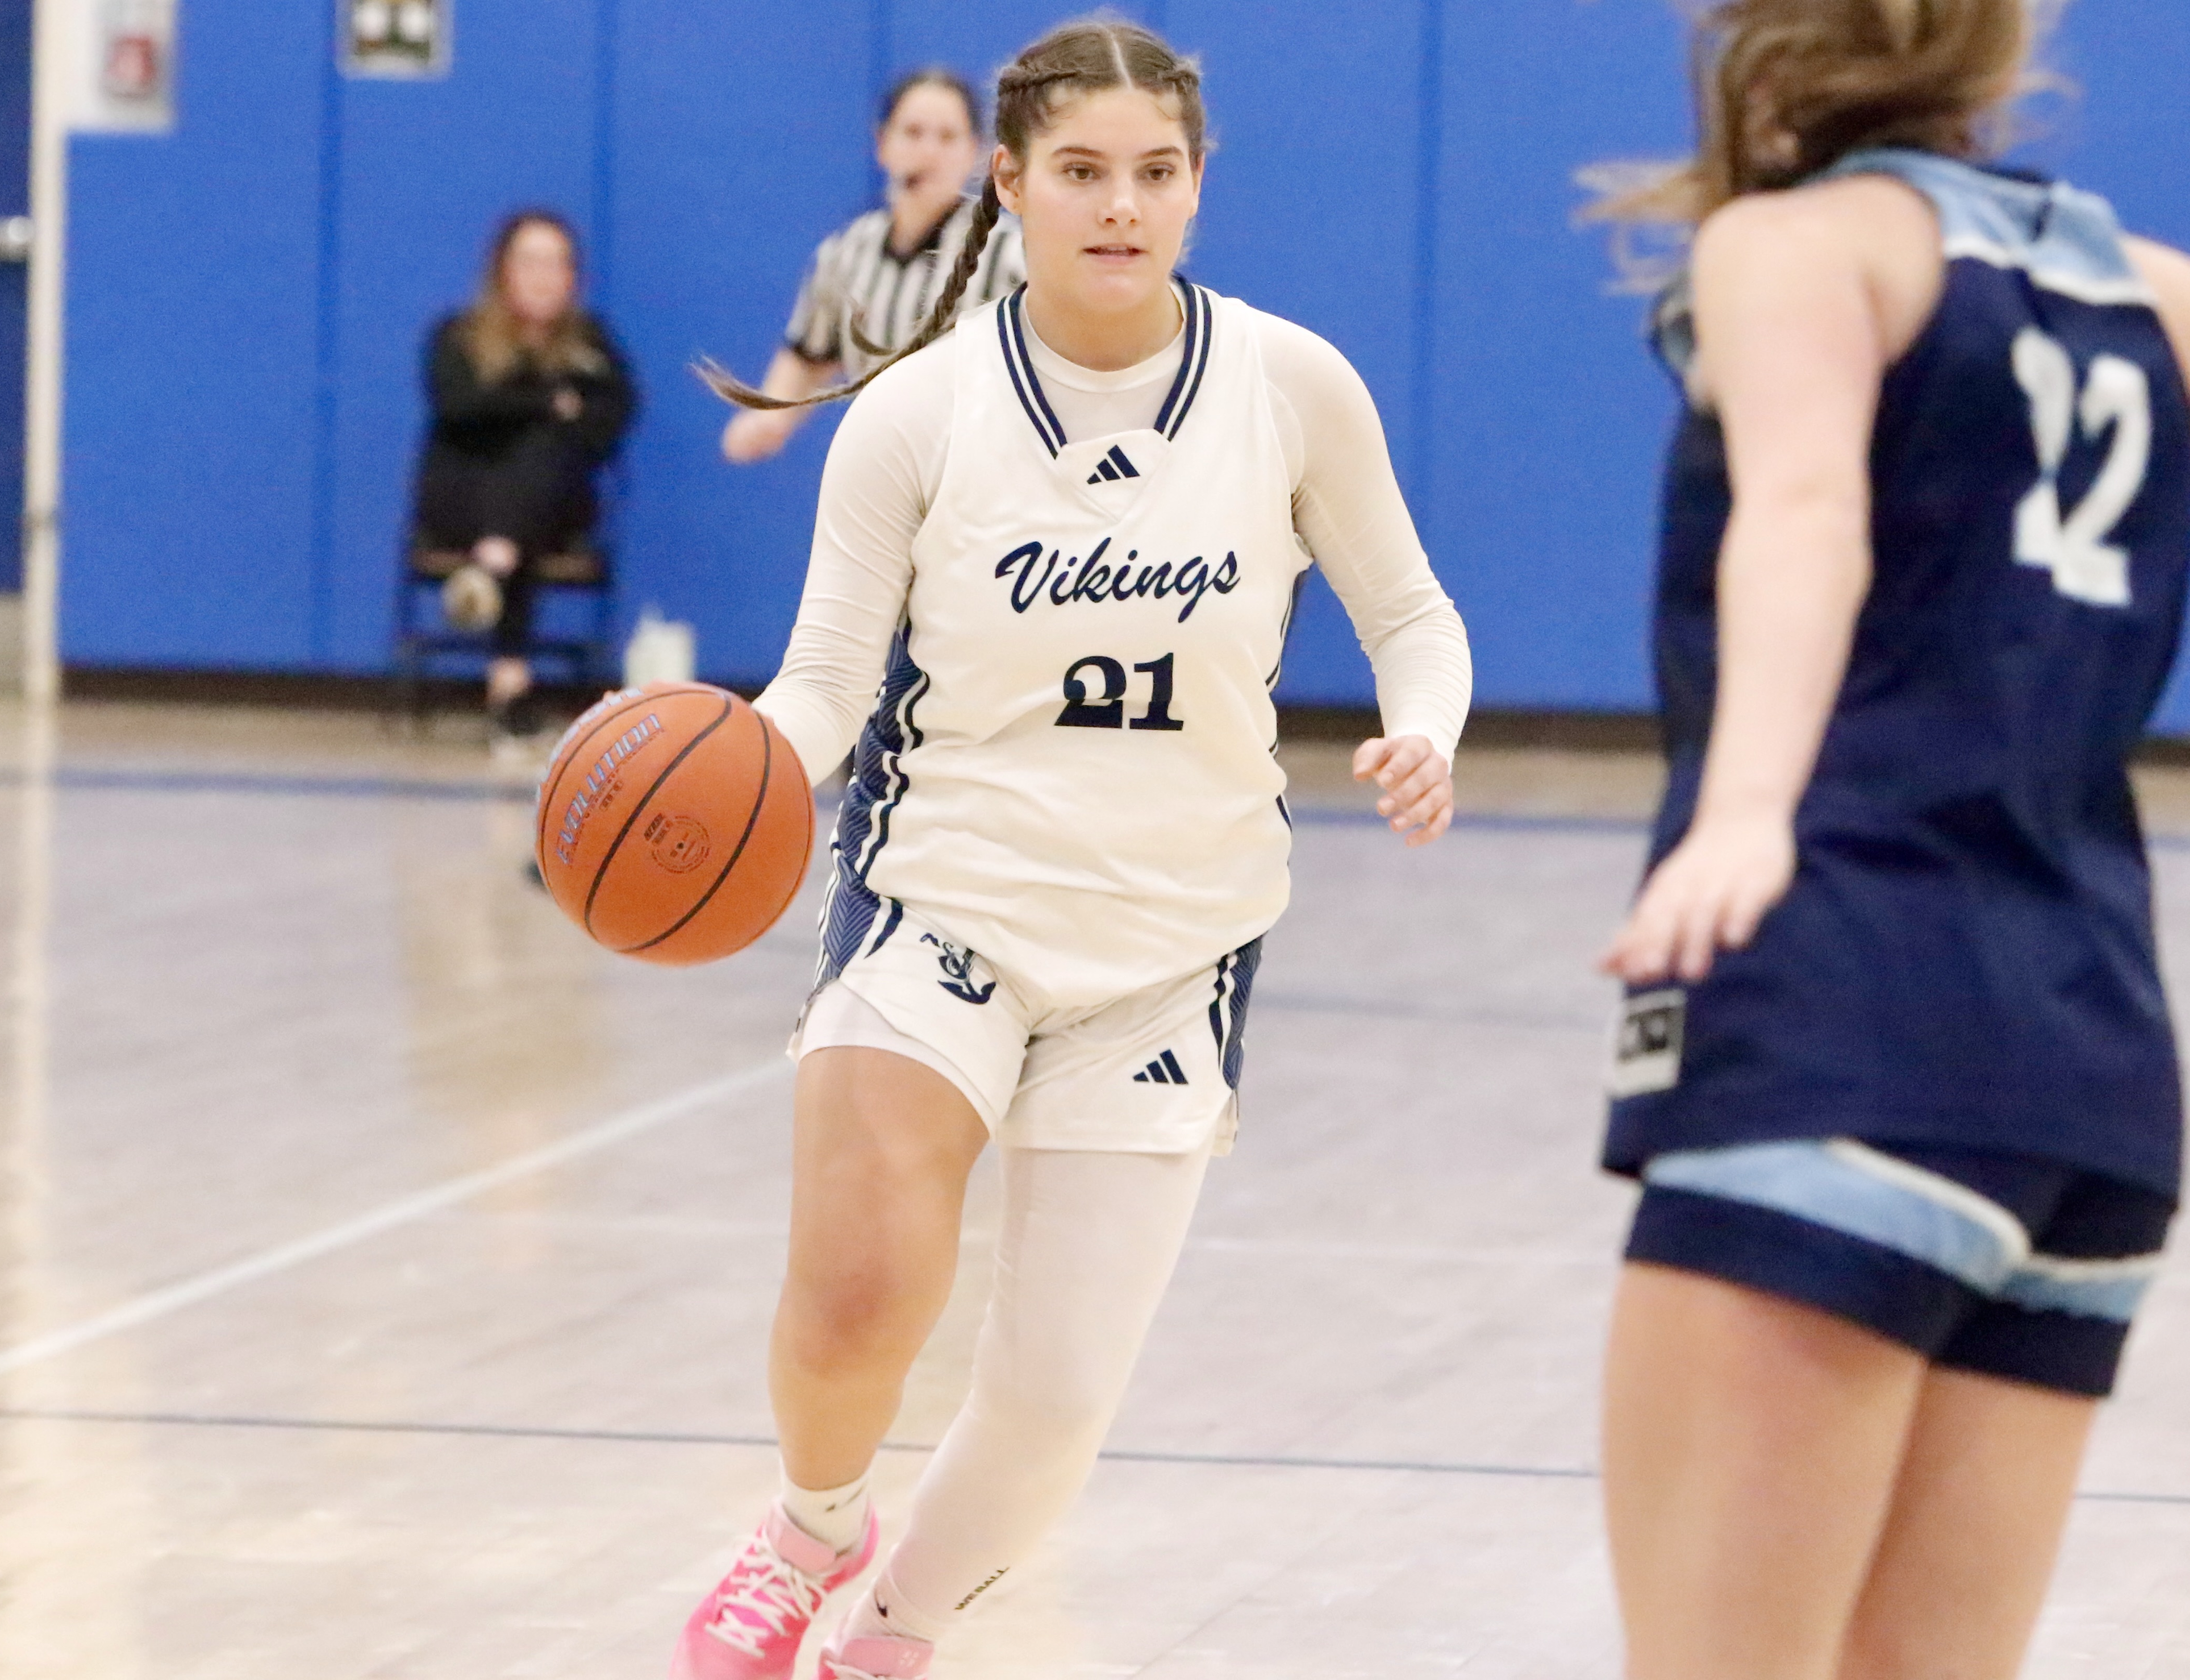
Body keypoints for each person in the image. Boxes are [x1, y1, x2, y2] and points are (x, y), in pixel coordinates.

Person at [673, 19, 1473, 1680]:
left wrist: (1426, 726)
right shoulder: (916, 411)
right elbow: (825, 681)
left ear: (1197, 189)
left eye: (1157, 173)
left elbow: (1411, 611)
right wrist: (736, 767)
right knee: (857, 1284)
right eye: (1085, 174)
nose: (1123, 206)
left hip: (1176, 939)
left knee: (1050, 1396)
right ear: (1013, 186)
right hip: (945, 891)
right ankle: (812, 1523)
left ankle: (884, 1638)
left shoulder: (1289, 384)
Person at [1591, 3, 2190, 1677]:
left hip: (1845, 1006)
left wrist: (1750, 807)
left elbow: (1807, 513)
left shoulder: (1795, 249)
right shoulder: (2162, 295)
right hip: (2088, 1079)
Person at [717, 67, 1025, 465]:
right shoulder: (848, 251)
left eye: (948, 137)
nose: (929, 151)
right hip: (883, 470)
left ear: (975, 152)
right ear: (882, 144)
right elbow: (810, 350)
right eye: (913, 133)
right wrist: (770, 415)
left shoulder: (1008, 252)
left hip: (983, 471)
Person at [415, 210, 637, 739]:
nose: (544, 275)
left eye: (557, 263)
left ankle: (491, 574)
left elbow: (611, 421)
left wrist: (528, 412)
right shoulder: (458, 336)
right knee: (526, 476)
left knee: (541, 462)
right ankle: (510, 688)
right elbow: (460, 408)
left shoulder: (592, 344)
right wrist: (548, 401)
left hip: (553, 508)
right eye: (530, 261)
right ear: (503, 270)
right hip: (462, 503)